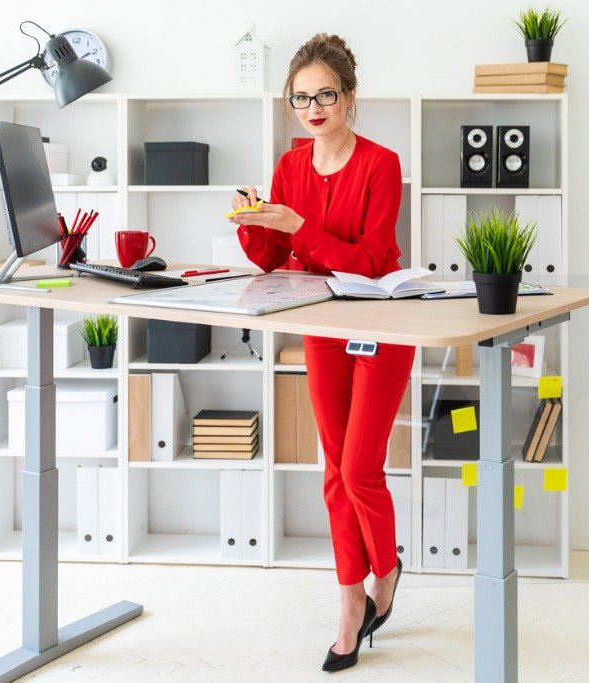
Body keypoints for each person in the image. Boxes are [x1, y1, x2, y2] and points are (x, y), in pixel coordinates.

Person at [230, 33, 413, 673]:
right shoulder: (289, 166)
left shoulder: (381, 164)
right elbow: (275, 261)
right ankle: (349, 608)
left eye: (324, 95)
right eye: (300, 98)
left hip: (380, 324)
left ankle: (386, 571)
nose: (313, 107)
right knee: (333, 472)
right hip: (319, 327)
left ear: (349, 98)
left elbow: (366, 260)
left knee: (361, 468)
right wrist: (256, 222)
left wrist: (296, 227)